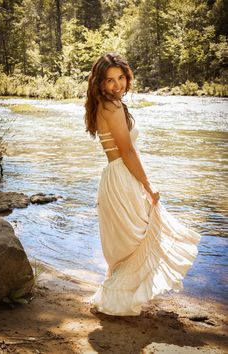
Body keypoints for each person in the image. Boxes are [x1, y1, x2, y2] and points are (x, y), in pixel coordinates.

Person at [84, 53, 200, 316]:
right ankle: (119, 300)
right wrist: (148, 185)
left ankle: (119, 297)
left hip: (115, 177)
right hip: (122, 178)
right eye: (110, 80)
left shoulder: (103, 105)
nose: (117, 85)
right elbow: (127, 151)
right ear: (100, 84)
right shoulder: (111, 107)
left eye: (121, 77)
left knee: (132, 239)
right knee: (141, 234)